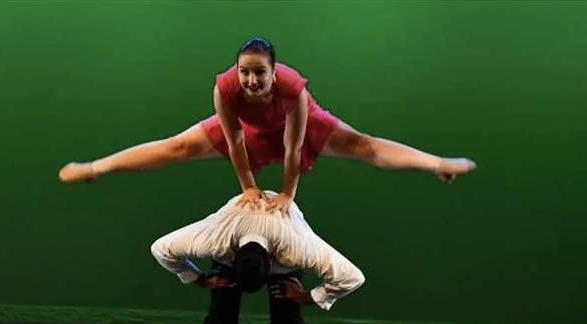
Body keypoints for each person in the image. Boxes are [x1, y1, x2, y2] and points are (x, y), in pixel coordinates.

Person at [57, 37, 477, 214]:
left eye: (260, 72)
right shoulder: (225, 90)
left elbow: (293, 149)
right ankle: (97, 167)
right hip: (248, 130)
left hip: (297, 124)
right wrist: (250, 188)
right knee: (177, 147)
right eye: (246, 72)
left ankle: (435, 163)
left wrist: (287, 194)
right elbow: (235, 139)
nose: (252, 80)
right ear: (237, 72)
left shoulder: (294, 90)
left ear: (275, 72)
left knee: (361, 145)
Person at [150, 190, 366, 324]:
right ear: (233, 253)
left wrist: (305, 296)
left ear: (272, 257)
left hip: (283, 239)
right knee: (219, 321)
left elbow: (352, 277)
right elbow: (160, 248)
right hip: (234, 237)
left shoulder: (298, 248)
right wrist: (202, 280)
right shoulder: (215, 240)